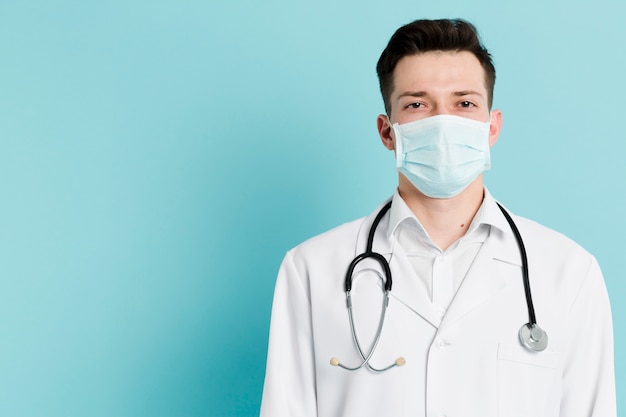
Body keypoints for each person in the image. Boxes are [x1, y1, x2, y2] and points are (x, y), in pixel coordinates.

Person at [260, 19, 616, 417]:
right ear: (387, 132)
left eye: (464, 103)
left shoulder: (568, 273)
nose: (443, 123)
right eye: (416, 104)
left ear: (491, 127)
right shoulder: (312, 269)